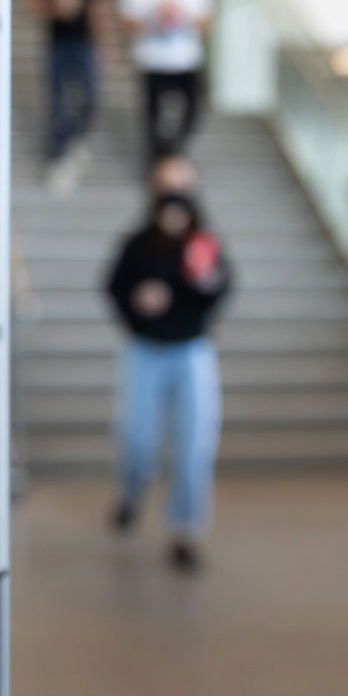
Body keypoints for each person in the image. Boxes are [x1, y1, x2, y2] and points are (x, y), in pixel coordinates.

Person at [103, 191, 232, 573]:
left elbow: (220, 287)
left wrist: (200, 285)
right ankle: (131, 491)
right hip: (145, 350)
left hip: (191, 350)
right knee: (137, 434)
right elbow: (114, 286)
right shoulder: (137, 245)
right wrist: (137, 303)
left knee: (194, 442)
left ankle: (185, 530)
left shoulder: (203, 243)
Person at [117, 0, 213, 163]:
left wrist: (181, 19)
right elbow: (128, 20)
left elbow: (206, 21)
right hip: (153, 60)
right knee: (153, 114)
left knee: (193, 108)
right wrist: (154, 20)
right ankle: (156, 157)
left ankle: (175, 149)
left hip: (185, 60)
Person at [31, 0, 105, 193]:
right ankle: (58, 155)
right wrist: (56, 6)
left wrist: (104, 47)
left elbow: (98, 9)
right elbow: (35, 5)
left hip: (84, 45)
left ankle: (77, 140)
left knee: (90, 97)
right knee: (58, 100)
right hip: (58, 44)